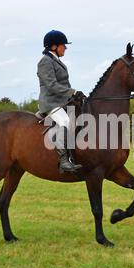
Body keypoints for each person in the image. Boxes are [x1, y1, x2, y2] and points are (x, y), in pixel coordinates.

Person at [37, 30, 86, 173]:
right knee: (65, 122)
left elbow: (65, 85)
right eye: (63, 45)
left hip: (62, 101)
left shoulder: (57, 61)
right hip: (51, 103)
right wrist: (72, 92)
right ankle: (64, 160)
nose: (66, 48)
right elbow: (51, 85)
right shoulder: (45, 62)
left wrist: (75, 97)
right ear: (53, 47)